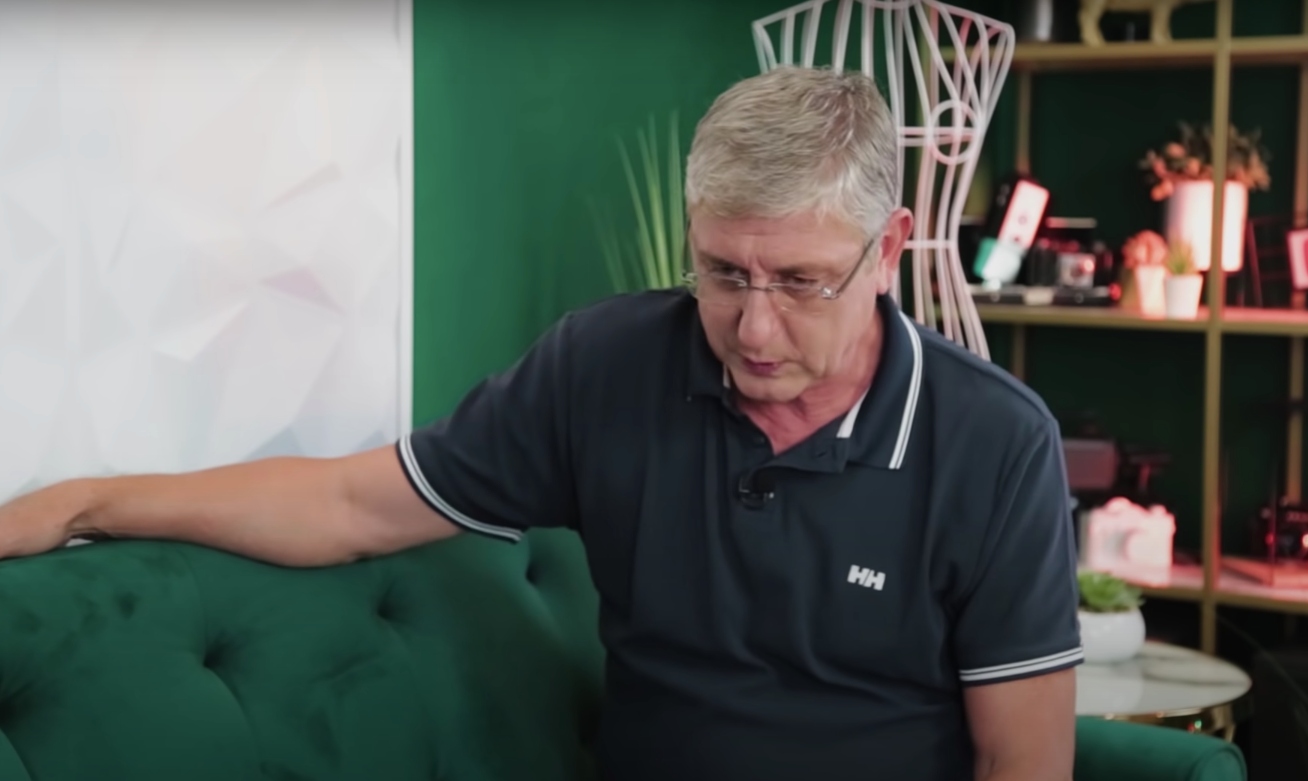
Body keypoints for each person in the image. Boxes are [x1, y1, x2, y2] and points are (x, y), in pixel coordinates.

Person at [0, 65, 1081, 781]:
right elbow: (348, 504)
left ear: (888, 249)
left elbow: (1023, 763)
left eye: (800, 281)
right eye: (721, 272)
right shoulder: (604, 365)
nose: (753, 328)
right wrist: (88, 501)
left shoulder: (993, 443)